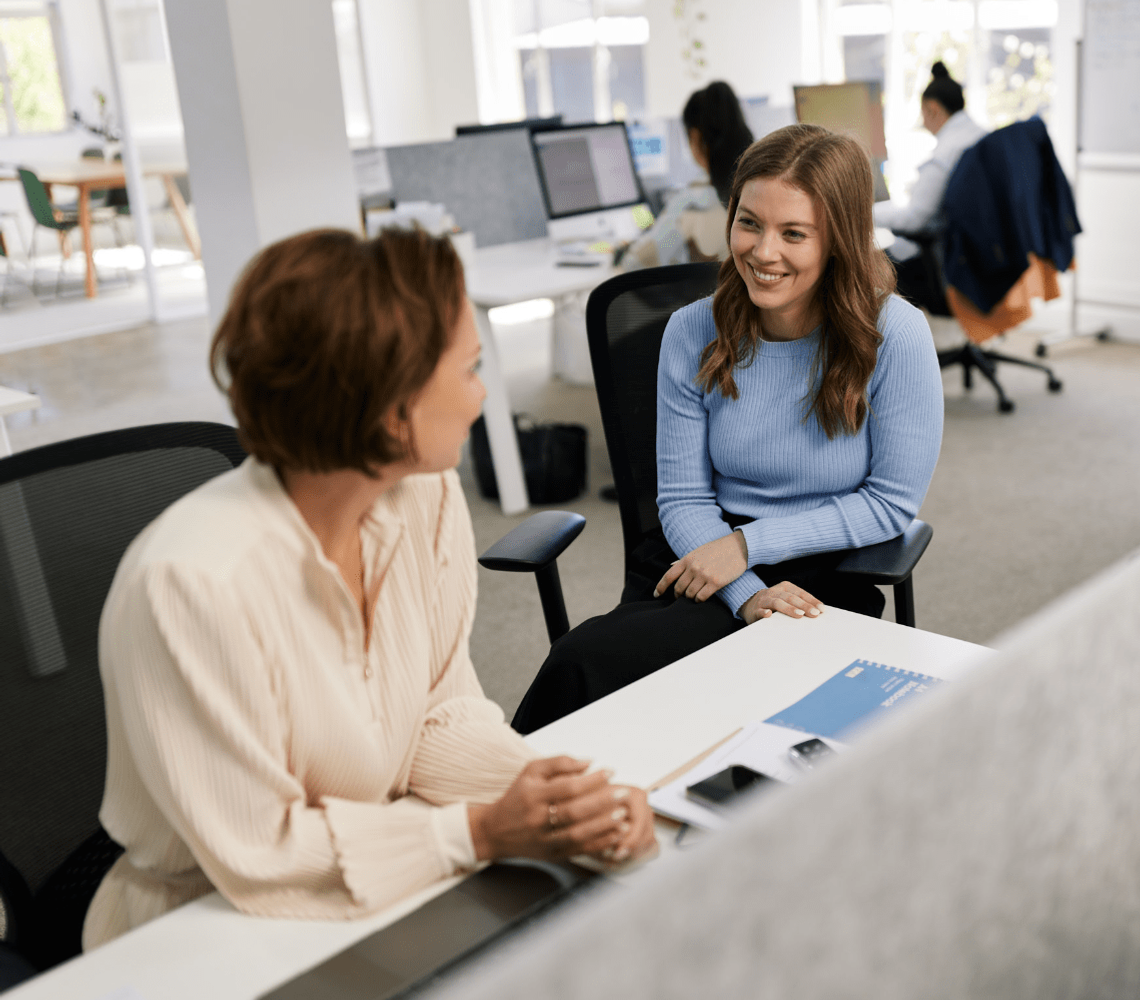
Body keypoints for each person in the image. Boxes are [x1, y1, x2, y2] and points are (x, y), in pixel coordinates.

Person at [83, 228, 655, 949]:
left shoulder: (423, 494)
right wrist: (477, 831)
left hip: (388, 872)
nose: (482, 399)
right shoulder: (191, 582)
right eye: (471, 370)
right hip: (212, 927)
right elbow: (262, 849)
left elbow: (436, 714)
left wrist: (559, 798)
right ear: (393, 410)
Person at [513, 124, 944, 735]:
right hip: (700, 555)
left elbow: (889, 504)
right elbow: (684, 498)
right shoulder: (693, 330)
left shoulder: (894, 334)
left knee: (740, 717)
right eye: (749, 223)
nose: (763, 252)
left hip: (822, 573)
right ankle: (492, 814)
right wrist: (742, 588)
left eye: (794, 233)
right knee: (587, 667)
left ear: (840, 241)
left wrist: (749, 549)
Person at [874, 61, 987, 312]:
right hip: (984, 257)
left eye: (923, 114)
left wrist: (865, 212)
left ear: (933, 109)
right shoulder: (981, 136)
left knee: (866, 265)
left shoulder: (946, 153)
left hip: (946, 263)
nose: (924, 122)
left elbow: (916, 218)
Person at [619, 81, 754, 268]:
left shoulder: (694, 202)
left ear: (695, 136)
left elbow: (635, 263)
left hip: (713, 297)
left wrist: (624, 254)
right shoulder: (761, 187)